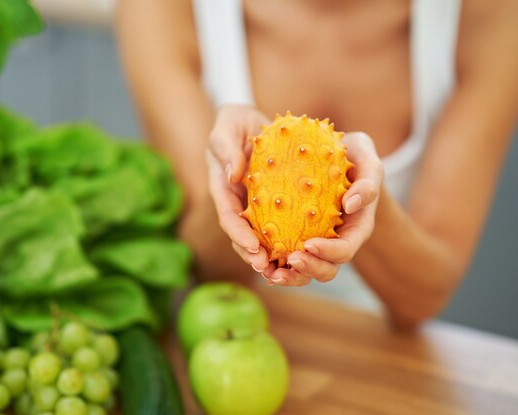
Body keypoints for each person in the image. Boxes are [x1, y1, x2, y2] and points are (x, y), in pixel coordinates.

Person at [115, 0, 518, 327]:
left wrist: (361, 193)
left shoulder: (489, 14)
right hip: (237, 328)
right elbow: (203, 266)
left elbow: (424, 297)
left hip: (377, 353)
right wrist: (237, 190)